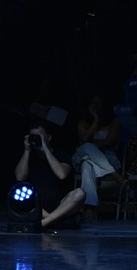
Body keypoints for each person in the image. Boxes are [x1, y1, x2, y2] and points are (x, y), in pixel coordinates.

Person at [15, 122, 85, 229]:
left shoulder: (61, 155)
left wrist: (46, 150)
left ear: (48, 138)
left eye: (39, 136)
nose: (35, 139)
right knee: (20, 198)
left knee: (80, 193)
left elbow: (62, 174)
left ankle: (45, 222)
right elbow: (20, 177)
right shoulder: (29, 157)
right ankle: (53, 221)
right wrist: (26, 151)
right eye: (33, 136)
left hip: (60, 205)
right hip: (37, 206)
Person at [72, 93, 125, 221]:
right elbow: (85, 140)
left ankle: (90, 209)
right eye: (93, 103)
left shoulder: (114, 122)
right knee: (87, 148)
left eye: (99, 103)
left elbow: (109, 142)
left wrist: (90, 146)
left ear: (104, 105)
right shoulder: (83, 123)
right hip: (82, 159)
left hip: (107, 158)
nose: (96, 106)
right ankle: (115, 175)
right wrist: (95, 120)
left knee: (87, 165)